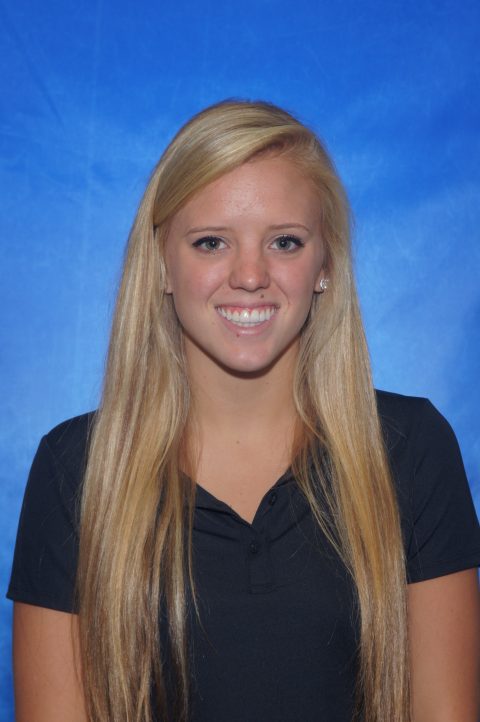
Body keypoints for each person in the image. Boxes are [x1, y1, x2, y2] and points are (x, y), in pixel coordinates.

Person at [7, 100, 480, 722]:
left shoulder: (411, 448)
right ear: (161, 264)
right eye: (211, 242)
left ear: (325, 265)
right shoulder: (78, 468)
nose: (251, 275)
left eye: (285, 241)